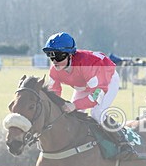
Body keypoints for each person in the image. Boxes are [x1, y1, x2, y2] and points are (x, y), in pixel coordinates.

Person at [42, 31, 134, 159]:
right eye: (51, 56)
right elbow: (54, 94)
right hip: (84, 84)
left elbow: (96, 96)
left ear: (70, 55)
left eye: (57, 56)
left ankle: (124, 143)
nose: (54, 61)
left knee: (97, 112)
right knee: (70, 114)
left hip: (106, 81)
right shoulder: (54, 70)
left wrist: (74, 105)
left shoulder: (87, 64)